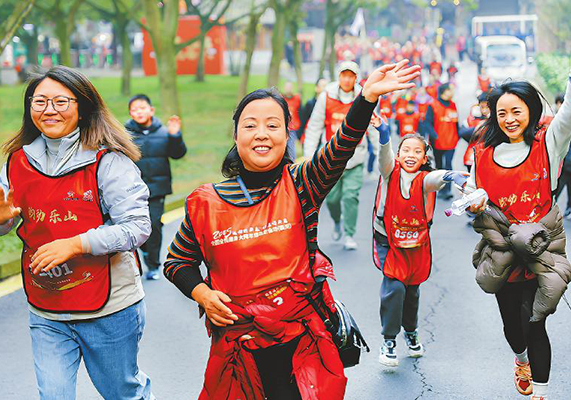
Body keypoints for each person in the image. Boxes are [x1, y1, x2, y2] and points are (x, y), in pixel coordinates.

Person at [164, 60, 420, 400]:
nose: (261, 134)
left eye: (273, 125)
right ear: (236, 134)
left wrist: (366, 97)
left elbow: (341, 146)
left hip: (301, 344)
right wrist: (203, 294)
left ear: (287, 134)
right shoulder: (205, 202)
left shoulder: (303, 183)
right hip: (238, 349)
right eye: (250, 125)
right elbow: (176, 262)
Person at [0, 66, 154, 399]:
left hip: (109, 308)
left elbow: (137, 227)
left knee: (122, 393)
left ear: (82, 106)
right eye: (39, 101)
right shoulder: (17, 160)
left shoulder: (108, 161)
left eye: (60, 101)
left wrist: (77, 244)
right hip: (46, 307)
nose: (48, 110)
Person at [466, 72, 571, 400]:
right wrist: (473, 202)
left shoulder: (548, 143)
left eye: (517, 111)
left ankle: (540, 393)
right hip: (501, 251)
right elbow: (472, 188)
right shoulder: (482, 148)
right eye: (502, 113)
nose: (510, 119)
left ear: (531, 111)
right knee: (514, 325)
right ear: (493, 115)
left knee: (536, 323)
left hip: (541, 248)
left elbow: (567, 115)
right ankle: (520, 358)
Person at [372, 125, 467, 367]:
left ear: (425, 158)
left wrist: (451, 175)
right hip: (388, 241)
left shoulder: (425, 180)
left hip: (416, 244)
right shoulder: (389, 171)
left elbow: (436, 179)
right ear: (398, 154)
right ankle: (389, 340)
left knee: (412, 291)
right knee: (395, 287)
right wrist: (384, 136)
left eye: (417, 151)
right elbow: (384, 157)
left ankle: (411, 331)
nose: (411, 155)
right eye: (406, 150)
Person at [303, 60, 369, 250]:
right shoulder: (327, 96)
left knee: (350, 197)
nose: (347, 79)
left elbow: (373, 125)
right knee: (331, 199)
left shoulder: (364, 97)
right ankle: (337, 221)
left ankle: (349, 234)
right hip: (331, 159)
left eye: (351, 76)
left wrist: (381, 153)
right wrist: (309, 155)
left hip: (355, 157)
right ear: (339, 76)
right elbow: (315, 126)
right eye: (343, 75)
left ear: (356, 78)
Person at [126, 94, 187, 280]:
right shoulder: (125, 134)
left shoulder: (163, 132)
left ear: (151, 110)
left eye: (142, 108)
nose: (139, 112)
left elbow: (178, 154)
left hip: (157, 188)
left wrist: (175, 135)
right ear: (130, 113)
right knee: (134, 224)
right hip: (131, 190)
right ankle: (143, 251)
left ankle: (153, 265)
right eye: (135, 109)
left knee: (153, 224)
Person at [423, 83, 460, 199]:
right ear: (445, 91)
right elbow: (427, 123)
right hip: (438, 143)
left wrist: (458, 135)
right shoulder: (433, 105)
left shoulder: (453, 105)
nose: (453, 92)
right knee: (440, 166)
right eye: (451, 90)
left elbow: (456, 122)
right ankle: (440, 188)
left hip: (451, 142)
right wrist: (435, 136)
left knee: (448, 165)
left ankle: (447, 191)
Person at [462, 91, 490, 172]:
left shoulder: (496, 119)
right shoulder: (472, 117)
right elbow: (462, 133)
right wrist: (478, 128)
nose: (484, 110)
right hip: (472, 156)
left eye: (487, 107)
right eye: (482, 107)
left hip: (488, 157)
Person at [282, 82, 302, 161]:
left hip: (293, 127)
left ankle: (292, 163)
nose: (288, 89)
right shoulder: (281, 98)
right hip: (283, 127)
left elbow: (300, 112)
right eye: (287, 87)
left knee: (291, 147)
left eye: (290, 87)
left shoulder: (297, 98)